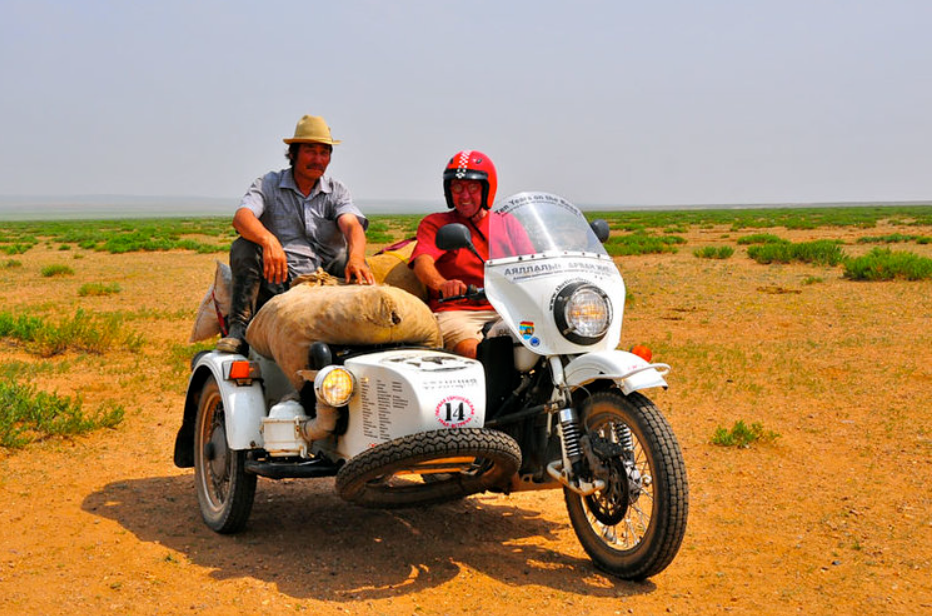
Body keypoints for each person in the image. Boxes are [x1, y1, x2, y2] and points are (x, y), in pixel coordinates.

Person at [217, 114, 374, 354]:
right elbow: (242, 218)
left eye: (324, 152)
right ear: (293, 153)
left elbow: (352, 225)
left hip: (325, 280)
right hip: (279, 279)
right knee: (244, 247)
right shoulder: (268, 184)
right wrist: (268, 240)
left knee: (351, 261)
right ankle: (240, 327)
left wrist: (356, 258)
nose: (318, 159)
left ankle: (365, 333)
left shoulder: (336, 191)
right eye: (310, 151)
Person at [410, 150, 532, 359]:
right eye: (457, 187)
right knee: (471, 350)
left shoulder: (507, 223)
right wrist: (442, 285)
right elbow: (423, 262)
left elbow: (532, 262)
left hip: (504, 307)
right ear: (449, 191)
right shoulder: (436, 223)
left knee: (548, 339)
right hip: (458, 311)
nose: (464, 195)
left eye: (473, 187)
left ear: (487, 189)